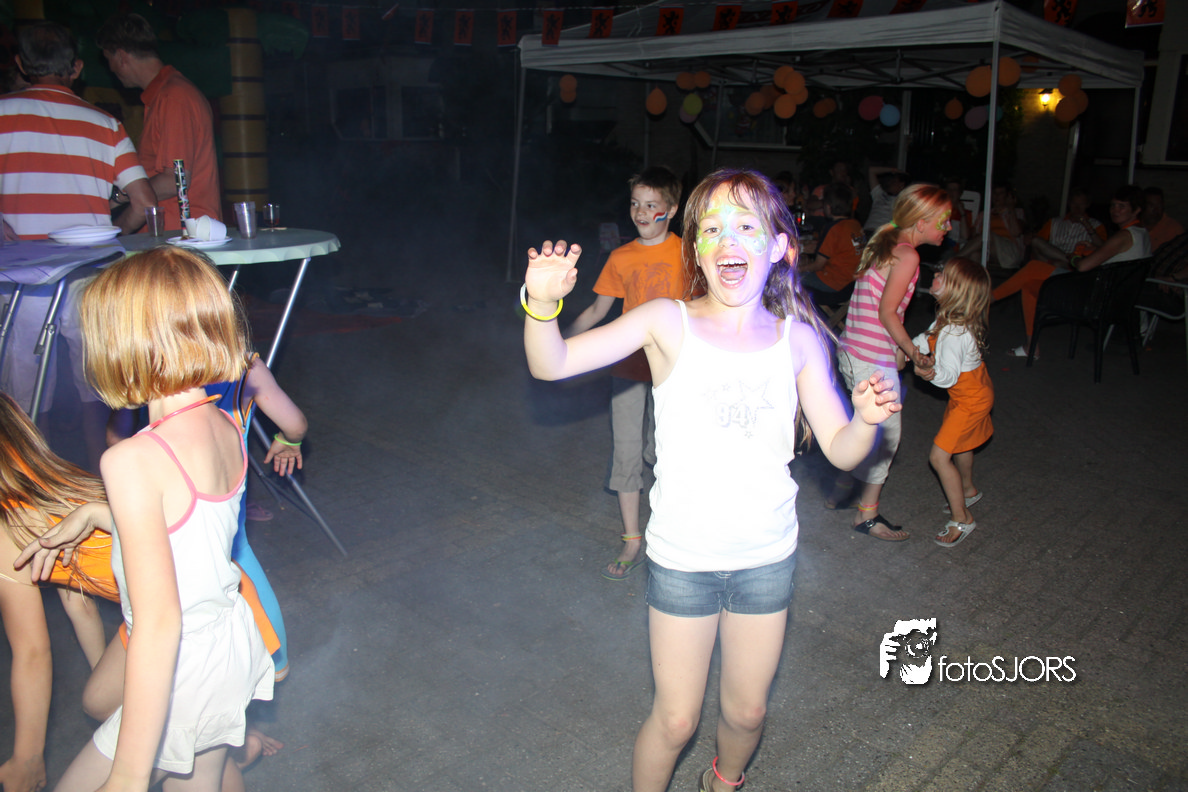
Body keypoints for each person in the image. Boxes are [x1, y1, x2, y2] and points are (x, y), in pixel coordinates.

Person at [522, 168, 901, 792]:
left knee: (747, 713)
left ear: (779, 247)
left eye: (748, 226)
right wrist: (540, 305)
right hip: (683, 561)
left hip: (765, 559)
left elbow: (841, 450)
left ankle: (723, 782)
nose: (729, 240)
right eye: (714, 228)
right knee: (676, 720)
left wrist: (865, 420)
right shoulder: (665, 322)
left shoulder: (799, 341)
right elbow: (552, 363)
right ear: (696, 248)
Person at [20, 247, 274, 792]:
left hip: (177, 668)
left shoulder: (132, 460)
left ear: (123, 346)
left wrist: (129, 777)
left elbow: (159, 623)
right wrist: (97, 512)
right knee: (201, 779)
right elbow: (191, 531)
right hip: (228, 642)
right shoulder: (224, 425)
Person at [0, 22, 153, 444]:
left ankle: (35, 478)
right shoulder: (105, 123)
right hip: (91, 272)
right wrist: (109, 235)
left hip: (23, 277)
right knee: (100, 387)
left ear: (21, 64)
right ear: (77, 67)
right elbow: (144, 202)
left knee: (24, 396)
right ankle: (104, 472)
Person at [565, 166, 692, 580]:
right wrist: (561, 345)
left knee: (669, 449)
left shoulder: (689, 253)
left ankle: (675, 530)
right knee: (626, 449)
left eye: (652, 205)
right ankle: (632, 539)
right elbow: (597, 311)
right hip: (629, 364)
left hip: (676, 365)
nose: (641, 212)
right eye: (636, 203)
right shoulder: (621, 257)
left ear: (672, 209)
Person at [0, 392, 115, 792]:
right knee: (101, 700)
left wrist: (27, 758)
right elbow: (79, 601)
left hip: (185, 617)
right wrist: (112, 683)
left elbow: (32, 652)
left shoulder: (9, 527)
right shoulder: (57, 485)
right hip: (202, 596)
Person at [830, 183, 951, 541]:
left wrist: (896, 349)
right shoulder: (908, 256)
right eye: (944, 221)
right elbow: (887, 312)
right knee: (887, 435)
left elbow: (877, 304)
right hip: (870, 357)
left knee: (863, 426)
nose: (948, 227)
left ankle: (841, 489)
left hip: (855, 349)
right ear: (921, 222)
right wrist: (913, 352)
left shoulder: (888, 242)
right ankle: (866, 514)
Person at [992, 184, 1152, 357]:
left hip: (1093, 297)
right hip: (1111, 296)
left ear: (1137, 210)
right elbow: (1114, 254)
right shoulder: (1141, 233)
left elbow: (1082, 266)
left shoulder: (1124, 235)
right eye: (1113, 205)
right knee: (1029, 286)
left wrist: (1074, 257)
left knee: (1033, 268)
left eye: (1122, 206)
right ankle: (1031, 346)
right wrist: (1094, 250)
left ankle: (985, 301)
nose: (1115, 210)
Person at [96, 13, 222, 232]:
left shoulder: (173, 96)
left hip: (179, 237)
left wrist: (122, 197)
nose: (111, 69)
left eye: (109, 60)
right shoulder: (164, 94)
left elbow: (174, 180)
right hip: (172, 235)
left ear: (122, 57)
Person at [911, 258, 993, 548]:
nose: (936, 274)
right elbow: (928, 337)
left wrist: (927, 372)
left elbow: (947, 377)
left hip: (969, 398)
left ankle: (963, 518)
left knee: (939, 457)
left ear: (956, 291)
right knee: (961, 443)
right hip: (972, 393)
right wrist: (912, 346)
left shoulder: (955, 332)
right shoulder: (947, 319)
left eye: (943, 275)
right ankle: (967, 489)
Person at [799, 182, 863, 302]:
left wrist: (796, 269)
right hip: (853, 283)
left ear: (828, 207)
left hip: (835, 284)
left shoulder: (833, 228)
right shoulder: (855, 224)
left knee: (789, 278)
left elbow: (818, 265)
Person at [1028, 188, 1107, 265]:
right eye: (1074, 203)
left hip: (1077, 264)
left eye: (1081, 204)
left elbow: (1102, 248)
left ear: (1087, 205)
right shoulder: (1054, 222)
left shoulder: (1096, 225)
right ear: (1069, 204)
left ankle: (1072, 262)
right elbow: (1038, 242)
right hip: (1054, 260)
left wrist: (1086, 224)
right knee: (1035, 241)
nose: (1077, 208)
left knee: (1058, 264)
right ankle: (1069, 260)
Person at [959, 182, 1024, 269]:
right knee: (975, 255)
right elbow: (972, 235)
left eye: (1001, 193)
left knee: (987, 235)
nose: (997, 196)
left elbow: (1016, 232)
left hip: (1009, 252)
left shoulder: (1017, 212)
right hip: (990, 251)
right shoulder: (984, 214)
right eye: (995, 193)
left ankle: (952, 260)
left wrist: (1011, 208)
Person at [863, 166, 908, 234]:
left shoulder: (902, 201)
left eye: (894, 182)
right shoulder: (879, 194)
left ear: (901, 185)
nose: (890, 183)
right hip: (866, 231)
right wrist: (893, 170)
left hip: (881, 235)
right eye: (891, 181)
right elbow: (871, 170)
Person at [1141, 186, 1184, 252]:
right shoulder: (1133, 224)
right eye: (1151, 205)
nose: (1156, 210)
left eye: (1159, 205)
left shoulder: (1174, 229)